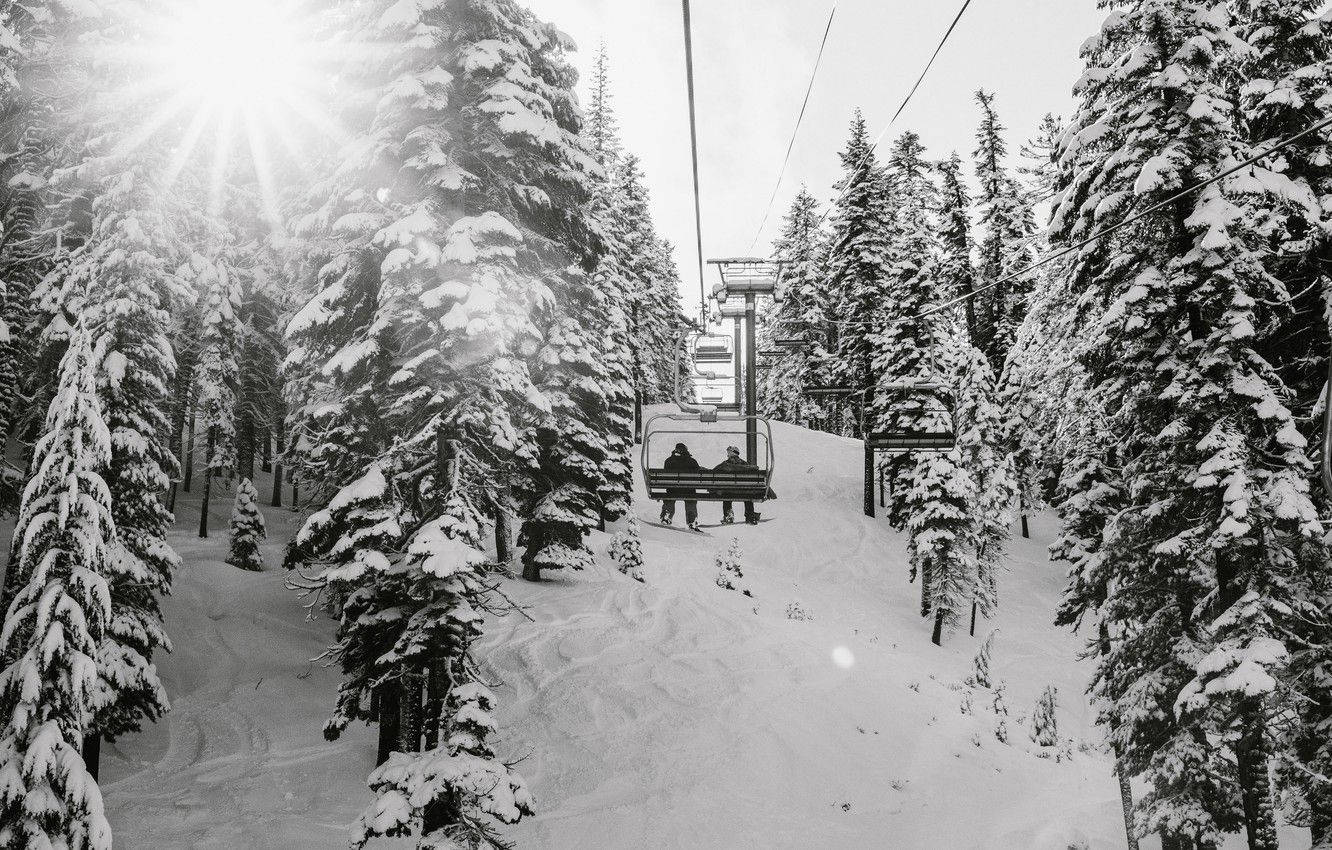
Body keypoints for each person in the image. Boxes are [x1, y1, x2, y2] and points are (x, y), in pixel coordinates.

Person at [714, 445, 760, 525]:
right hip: (743, 491)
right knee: (748, 496)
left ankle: (728, 516)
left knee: (726, 493)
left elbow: (714, 471)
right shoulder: (745, 464)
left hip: (729, 492)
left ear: (730, 453)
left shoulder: (724, 465)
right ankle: (750, 516)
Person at [661, 442, 701, 531]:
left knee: (670, 496)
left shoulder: (669, 461)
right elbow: (699, 474)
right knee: (691, 499)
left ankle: (666, 516)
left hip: (673, 489)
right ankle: (692, 521)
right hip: (689, 490)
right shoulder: (692, 461)